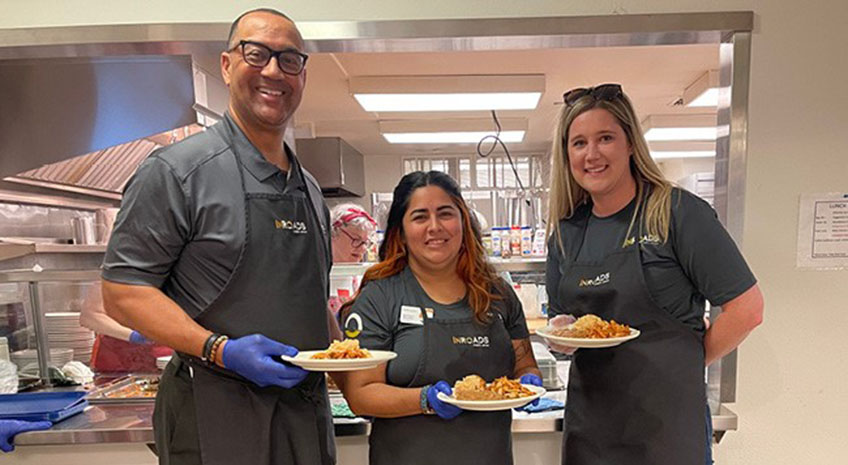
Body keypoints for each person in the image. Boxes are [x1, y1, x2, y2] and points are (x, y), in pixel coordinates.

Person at [101, 8, 340, 465]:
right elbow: (121, 292)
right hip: (213, 414)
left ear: (303, 76)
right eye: (257, 54)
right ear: (227, 65)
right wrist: (221, 350)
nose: (273, 70)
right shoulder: (177, 172)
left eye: (289, 59)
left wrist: (353, 370)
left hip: (303, 416)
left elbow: (312, 299)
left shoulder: (308, 187)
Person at [545, 83, 764, 465]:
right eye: (578, 143)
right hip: (592, 429)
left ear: (630, 143)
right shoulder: (566, 234)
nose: (591, 154)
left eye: (605, 138)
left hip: (668, 430)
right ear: (566, 155)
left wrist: (683, 364)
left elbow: (747, 309)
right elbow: (563, 325)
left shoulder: (677, 213)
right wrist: (561, 336)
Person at [338, 171, 541, 465]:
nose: (435, 227)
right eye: (420, 217)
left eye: (445, 214)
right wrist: (425, 400)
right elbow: (360, 395)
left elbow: (523, 363)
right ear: (401, 232)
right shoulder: (379, 299)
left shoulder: (498, 293)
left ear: (463, 222)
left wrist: (528, 381)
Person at [80, 282, 172, 373]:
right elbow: (90, 316)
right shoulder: (117, 270)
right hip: (118, 360)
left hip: (166, 359)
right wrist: (133, 336)